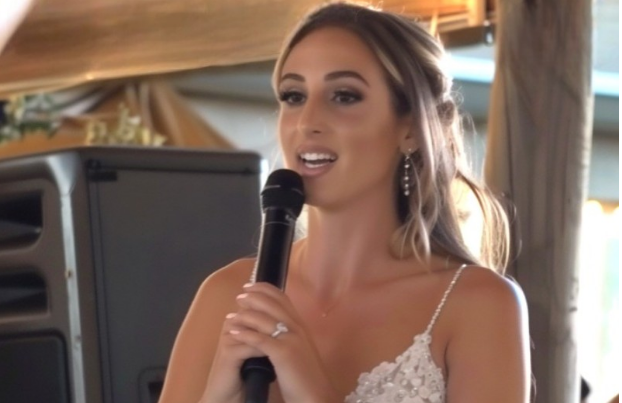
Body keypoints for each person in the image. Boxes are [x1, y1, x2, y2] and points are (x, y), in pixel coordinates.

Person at [158, 2, 531, 403]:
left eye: (344, 96)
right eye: (294, 96)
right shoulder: (227, 295)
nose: (307, 122)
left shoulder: (478, 304)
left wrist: (311, 388)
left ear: (410, 129)